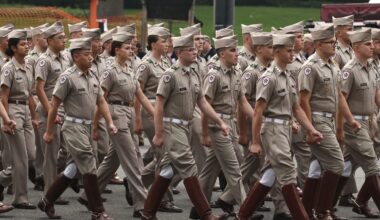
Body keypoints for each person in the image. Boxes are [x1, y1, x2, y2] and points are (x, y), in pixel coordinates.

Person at [141, 33, 229, 220]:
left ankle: (147, 212)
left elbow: (203, 102)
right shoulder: (170, 75)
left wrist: (219, 121)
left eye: (195, 49)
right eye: (190, 50)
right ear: (179, 53)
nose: (195, 52)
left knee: (167, 170)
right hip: (172, 127)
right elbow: (159, 106)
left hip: (186, 127)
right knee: (189, 167)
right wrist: (158, 133)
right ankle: (206, 215)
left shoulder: (194, 73)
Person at [235, 33, 322, 220]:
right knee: (288, 174)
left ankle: (242, 216)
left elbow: (296, 107)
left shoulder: (288, 77)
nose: (292, 54)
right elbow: (258, 111)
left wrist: (310, 128)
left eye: (292, 50)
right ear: (276, 52)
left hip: (285, 129)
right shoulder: (269, 77)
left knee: (269, 175)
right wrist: (255, 141)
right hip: (273, 130)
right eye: (288, 51)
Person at [38, 37, 117, 220]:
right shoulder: (67, 78)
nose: (91, 57)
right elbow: (54, 106)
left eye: (91, 54)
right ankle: (98, 211)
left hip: (88, 128)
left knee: (73, 169)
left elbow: (101, 101)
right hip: (73, 127)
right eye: (86, 54)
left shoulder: (93, 76)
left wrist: (109, 121)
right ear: (75, 57)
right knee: (89, 164)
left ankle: (47, 200)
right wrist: (49, 132)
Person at [299, 24, 360, 219]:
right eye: (330, 43)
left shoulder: (332, 66)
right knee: (336, 163)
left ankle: (306, 210)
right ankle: (323, 210)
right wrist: (309, 129)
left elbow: (340, 97)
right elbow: (303, 100)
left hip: (331, 120)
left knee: (317, 166)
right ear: (318, 44)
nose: (334, 46)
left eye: (334, 42)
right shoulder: (310, 67)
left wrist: (347, 121)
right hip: (317, 120)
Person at [337, 28, 380, 218]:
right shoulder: (349, 70)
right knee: (372, 165)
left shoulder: (370, 67)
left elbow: (376, 95)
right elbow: (341, 99)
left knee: (345, 165)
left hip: (370, 122)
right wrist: (348, 122)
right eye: (368, 44)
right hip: (355, 124)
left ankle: (324, 206)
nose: (373, 47)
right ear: (356, 47)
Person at [0, 29, 38, 209]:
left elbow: (30, 94)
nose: (27, 46)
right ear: (14, 48)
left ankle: (1, 179)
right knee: (21, 157)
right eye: (23, 44)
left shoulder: (28, 66)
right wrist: (5, 120)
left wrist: (35, 116)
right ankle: (20, 198)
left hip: (26, 110)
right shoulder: (9, 68)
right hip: (13, 110)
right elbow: (3, 97)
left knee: (31, 155)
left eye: (27, 43)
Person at [35, 22, 71, 201]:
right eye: (60, 38)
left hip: (66, 110)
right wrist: (51, 112)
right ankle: (50, 195)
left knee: (68, 151)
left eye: (64, 37)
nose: (64, 40)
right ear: (49, 40)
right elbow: (39, 89)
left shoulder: (66, 58)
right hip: (49, 109)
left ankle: (56, 184)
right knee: (50, 156)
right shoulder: (44, 60)